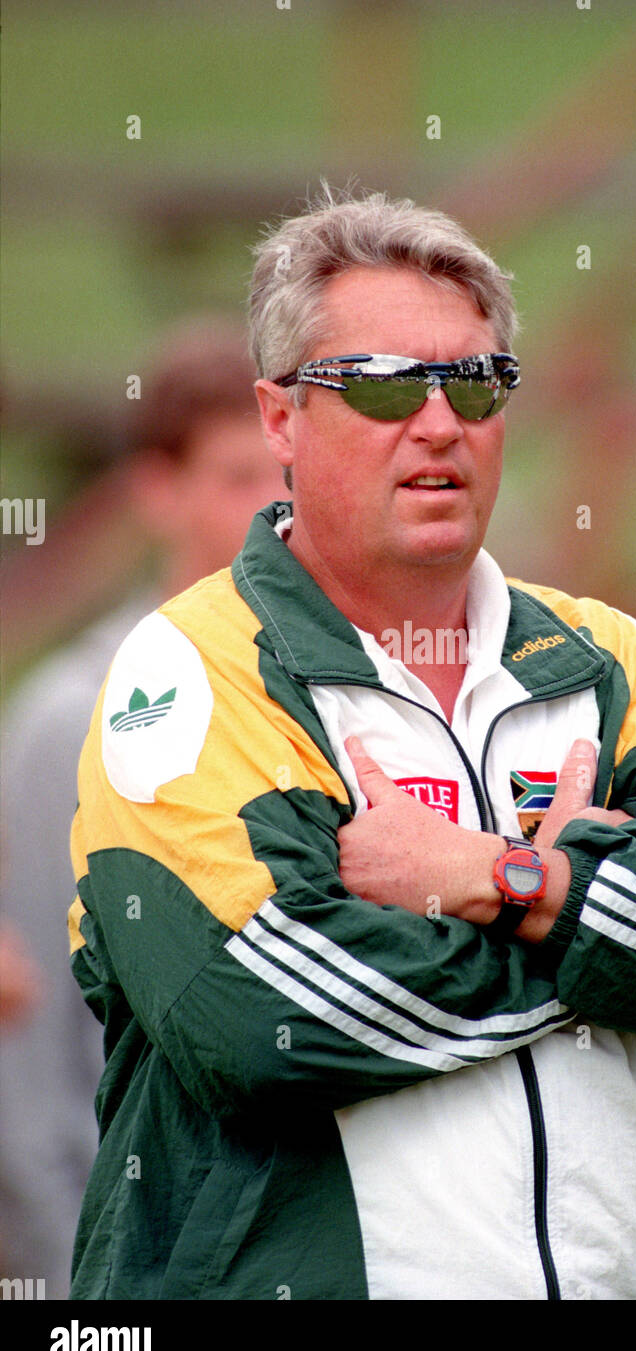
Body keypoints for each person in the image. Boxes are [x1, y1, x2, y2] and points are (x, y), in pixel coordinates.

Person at [67, 190, 636, 1301]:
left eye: (472, 382)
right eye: (378, 383)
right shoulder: (182, 668)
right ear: (279, 418)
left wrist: (497, 878)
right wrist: (621, 943)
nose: (436, 422)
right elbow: (273, 1010)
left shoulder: (612, 660)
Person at [0, 319, 282, 1297]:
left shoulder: (339, 708)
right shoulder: (72, 720)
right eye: (240, 476)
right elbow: (32, 1081)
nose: (276, 506)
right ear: (157, 492)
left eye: (289, 471)